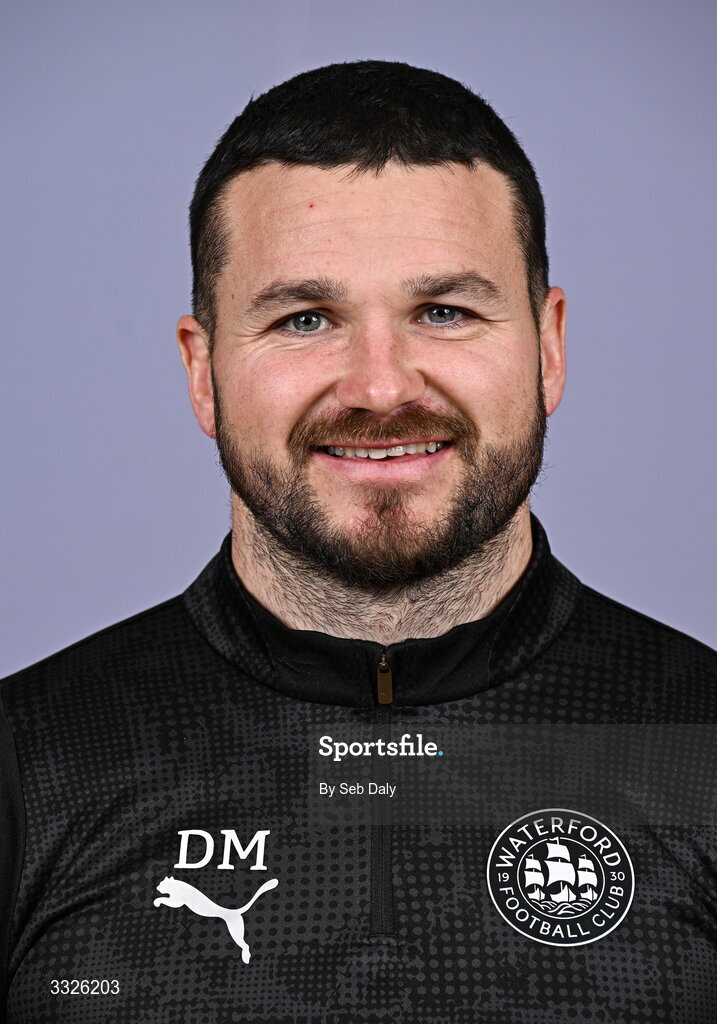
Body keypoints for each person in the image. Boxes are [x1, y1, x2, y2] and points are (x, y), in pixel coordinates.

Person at [2, 60, 716, 1023]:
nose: (380, 388)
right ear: (203, 370)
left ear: (547, 348)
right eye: (305, 319)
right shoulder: (28, 763)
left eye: (444, 311)